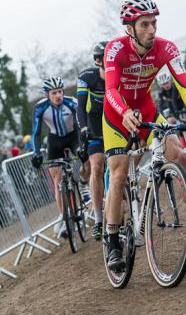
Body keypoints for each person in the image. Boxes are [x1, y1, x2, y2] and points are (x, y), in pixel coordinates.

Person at [103, 0, 186, 271]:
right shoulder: (115, 49)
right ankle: (112, 241)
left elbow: (183, 84)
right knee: (119, 173)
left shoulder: (166, 48)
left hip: (147, 111)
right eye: (145, 24)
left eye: (154, 23)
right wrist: (124, 112)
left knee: (179, 156)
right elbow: (111, 89)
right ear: (130, 28)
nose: (152, 29)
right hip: (116, 115)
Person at [30, 76, 80, 238]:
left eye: (60, 91)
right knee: (57, 180)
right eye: (54, 93)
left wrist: (83, 146)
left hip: (73, 136)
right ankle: (65, 216)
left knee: (87, 161)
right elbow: (36, 133)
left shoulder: (71, 102)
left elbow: (80, 124)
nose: (58, 95)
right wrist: (36, 153)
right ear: (47, 95)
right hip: (54, 141)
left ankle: (85, 188)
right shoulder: (40, 108)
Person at [76, 41, 108, 240]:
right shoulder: (87, 77)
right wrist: (84, 128)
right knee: (96, 165)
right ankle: (98, 218)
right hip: (94, 122)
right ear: (98, 61)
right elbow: (80, 106)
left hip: (114, 121)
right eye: (106, 57)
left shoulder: (118, 72)